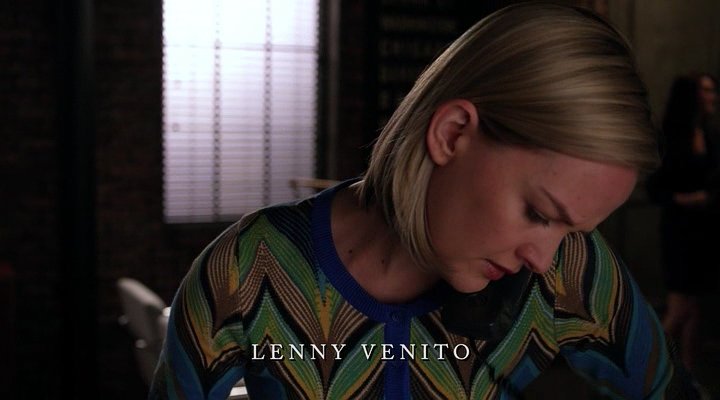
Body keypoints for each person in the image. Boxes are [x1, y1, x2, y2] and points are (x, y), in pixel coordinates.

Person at [150, 4, 694, 399]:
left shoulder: (569, 272)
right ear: (452, 133)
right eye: (538, 214)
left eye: (573, 231)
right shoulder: (246, 269)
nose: (543, 259)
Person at [652, 73, 718, 375]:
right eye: (705, 90)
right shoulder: (670, 138)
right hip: (679, 231)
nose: (712, 96)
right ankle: (639, 372)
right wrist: (687, 199)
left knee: (694, 309)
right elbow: (655, 189)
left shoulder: (709, 134)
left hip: (705, 233)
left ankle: (687, 376)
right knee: (680, 307)